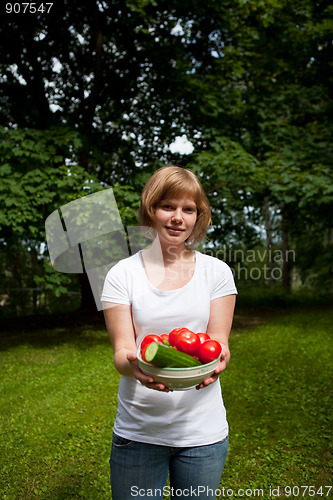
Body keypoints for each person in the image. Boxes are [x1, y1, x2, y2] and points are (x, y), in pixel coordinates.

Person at [101, 165, 237, 500]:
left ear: (197, 217)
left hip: (202, 432)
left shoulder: (217, 273)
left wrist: (219, 361)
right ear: (151, 211)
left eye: (188, 209)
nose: (178, 217)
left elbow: (219, 344)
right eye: (168, 207)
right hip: (139, 431)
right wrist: (133, 364)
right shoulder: (122, 274)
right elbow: (121, 351)